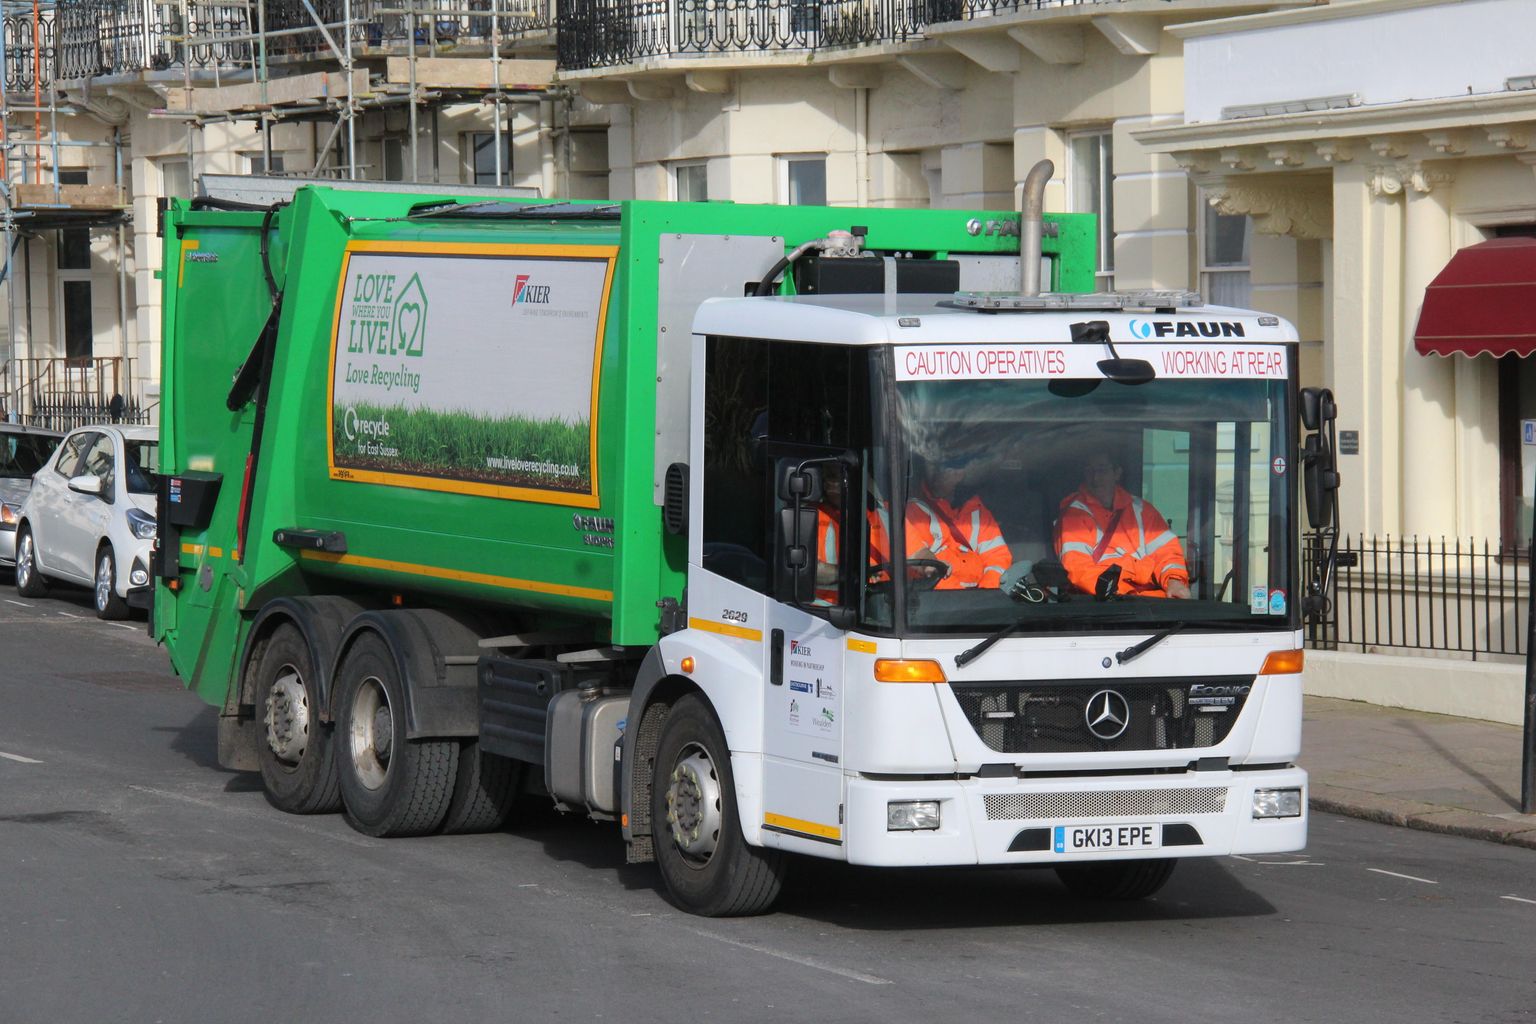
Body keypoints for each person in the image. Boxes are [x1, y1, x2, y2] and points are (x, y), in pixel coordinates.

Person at [1056, 453, 1190, 599]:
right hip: (1104, 607)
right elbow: (1079, 570)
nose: (1095, 479)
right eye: (1089, 471)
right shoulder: (1074, 515)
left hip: (1153, 607)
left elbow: (1167, 553)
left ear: (1117, 473)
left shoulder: (1142, 510)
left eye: (1102, 470)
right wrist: (1137, 578)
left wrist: (1174, 581)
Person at [904, 454, 1012, 590]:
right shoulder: (912, 510)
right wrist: (965, 602)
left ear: (960, 474)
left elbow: (998, 559)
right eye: (931, 465)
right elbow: (926, 569)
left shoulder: (977, 512)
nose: (936, 474)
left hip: (980, 603)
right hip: (939, 606)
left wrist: (985, 595)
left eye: (944, 468)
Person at [814, 472, 891, 605]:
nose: (827, 482)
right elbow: (806, 570)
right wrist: (854, 573)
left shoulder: (882, 516)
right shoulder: (812, 517)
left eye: (833, 475)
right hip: (828, 609)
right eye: (829, 476)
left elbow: (913, 556)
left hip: (884, 603)